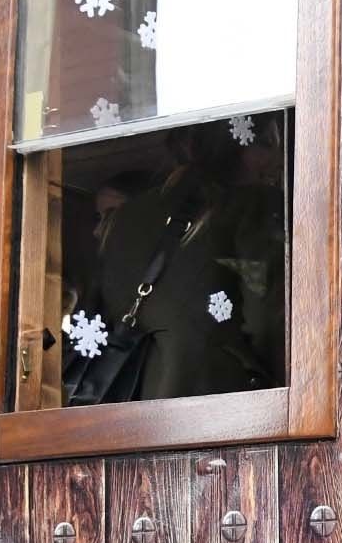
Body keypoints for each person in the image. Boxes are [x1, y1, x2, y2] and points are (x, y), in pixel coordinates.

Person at [74, 122, 278, 402]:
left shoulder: (125, 218)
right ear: (238, 145)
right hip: (219, 405)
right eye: (267, 143)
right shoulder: (252, 206)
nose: (276, 159)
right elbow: (265, 321)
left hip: (130, 411)